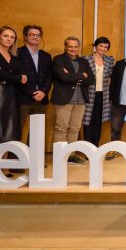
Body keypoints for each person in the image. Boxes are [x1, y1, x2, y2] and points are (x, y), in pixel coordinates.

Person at [51, 36, 94, 165]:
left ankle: (71, 155)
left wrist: (72, 76)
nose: (73, 49)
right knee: (61, 128)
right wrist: (81, 76)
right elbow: (62, 77)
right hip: (64, 99)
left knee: (75, 128)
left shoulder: (83, 61)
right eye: (70, 46)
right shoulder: (58, 59)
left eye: (75, 47)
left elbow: (91, 79)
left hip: (81, 100)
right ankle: (60, 156)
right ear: (65, 47)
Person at [17, 25, 52, 136]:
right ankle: (14, 149)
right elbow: (17, 76)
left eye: (38, 35)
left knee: (37, 133)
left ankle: (33, 150)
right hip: (22, 98)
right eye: (32, 34)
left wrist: (43, 92)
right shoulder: (17, 53)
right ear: (25, 37)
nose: (35, 37)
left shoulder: (46, 56)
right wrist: (32, 92)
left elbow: (49, 76)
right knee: (16, 130)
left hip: (41, 99)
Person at [82, 37, 115, 145]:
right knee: (87, 121)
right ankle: (87, 147)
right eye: (101, 46)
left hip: (103, 95)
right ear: (96, 46)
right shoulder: (86, 59)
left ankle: (95, 147)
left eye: (106, 47)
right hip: (89, 94)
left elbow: (111, 75)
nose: (103, 49)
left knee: (98, 121)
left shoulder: (109, 60)